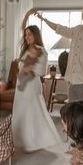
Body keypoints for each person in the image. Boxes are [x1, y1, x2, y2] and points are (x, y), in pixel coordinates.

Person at [34, 2, 83, 107]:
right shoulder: (77, 30)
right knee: (73, 116)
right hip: (73, 83)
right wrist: (44, 19)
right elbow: (60, 29)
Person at [11, 9, 62, 151]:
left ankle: (33, 142)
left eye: (29, 35)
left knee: (32, 113)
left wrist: (29, 69)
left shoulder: (40, 50)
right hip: (21, 86)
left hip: (31, 86)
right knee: (21, 112)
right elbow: (23, 29)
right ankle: (22, 140)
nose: (26, 37)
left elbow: (39, 71)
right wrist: (27, 14)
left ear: (36, 36)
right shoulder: (27, 50)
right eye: (26, 35)